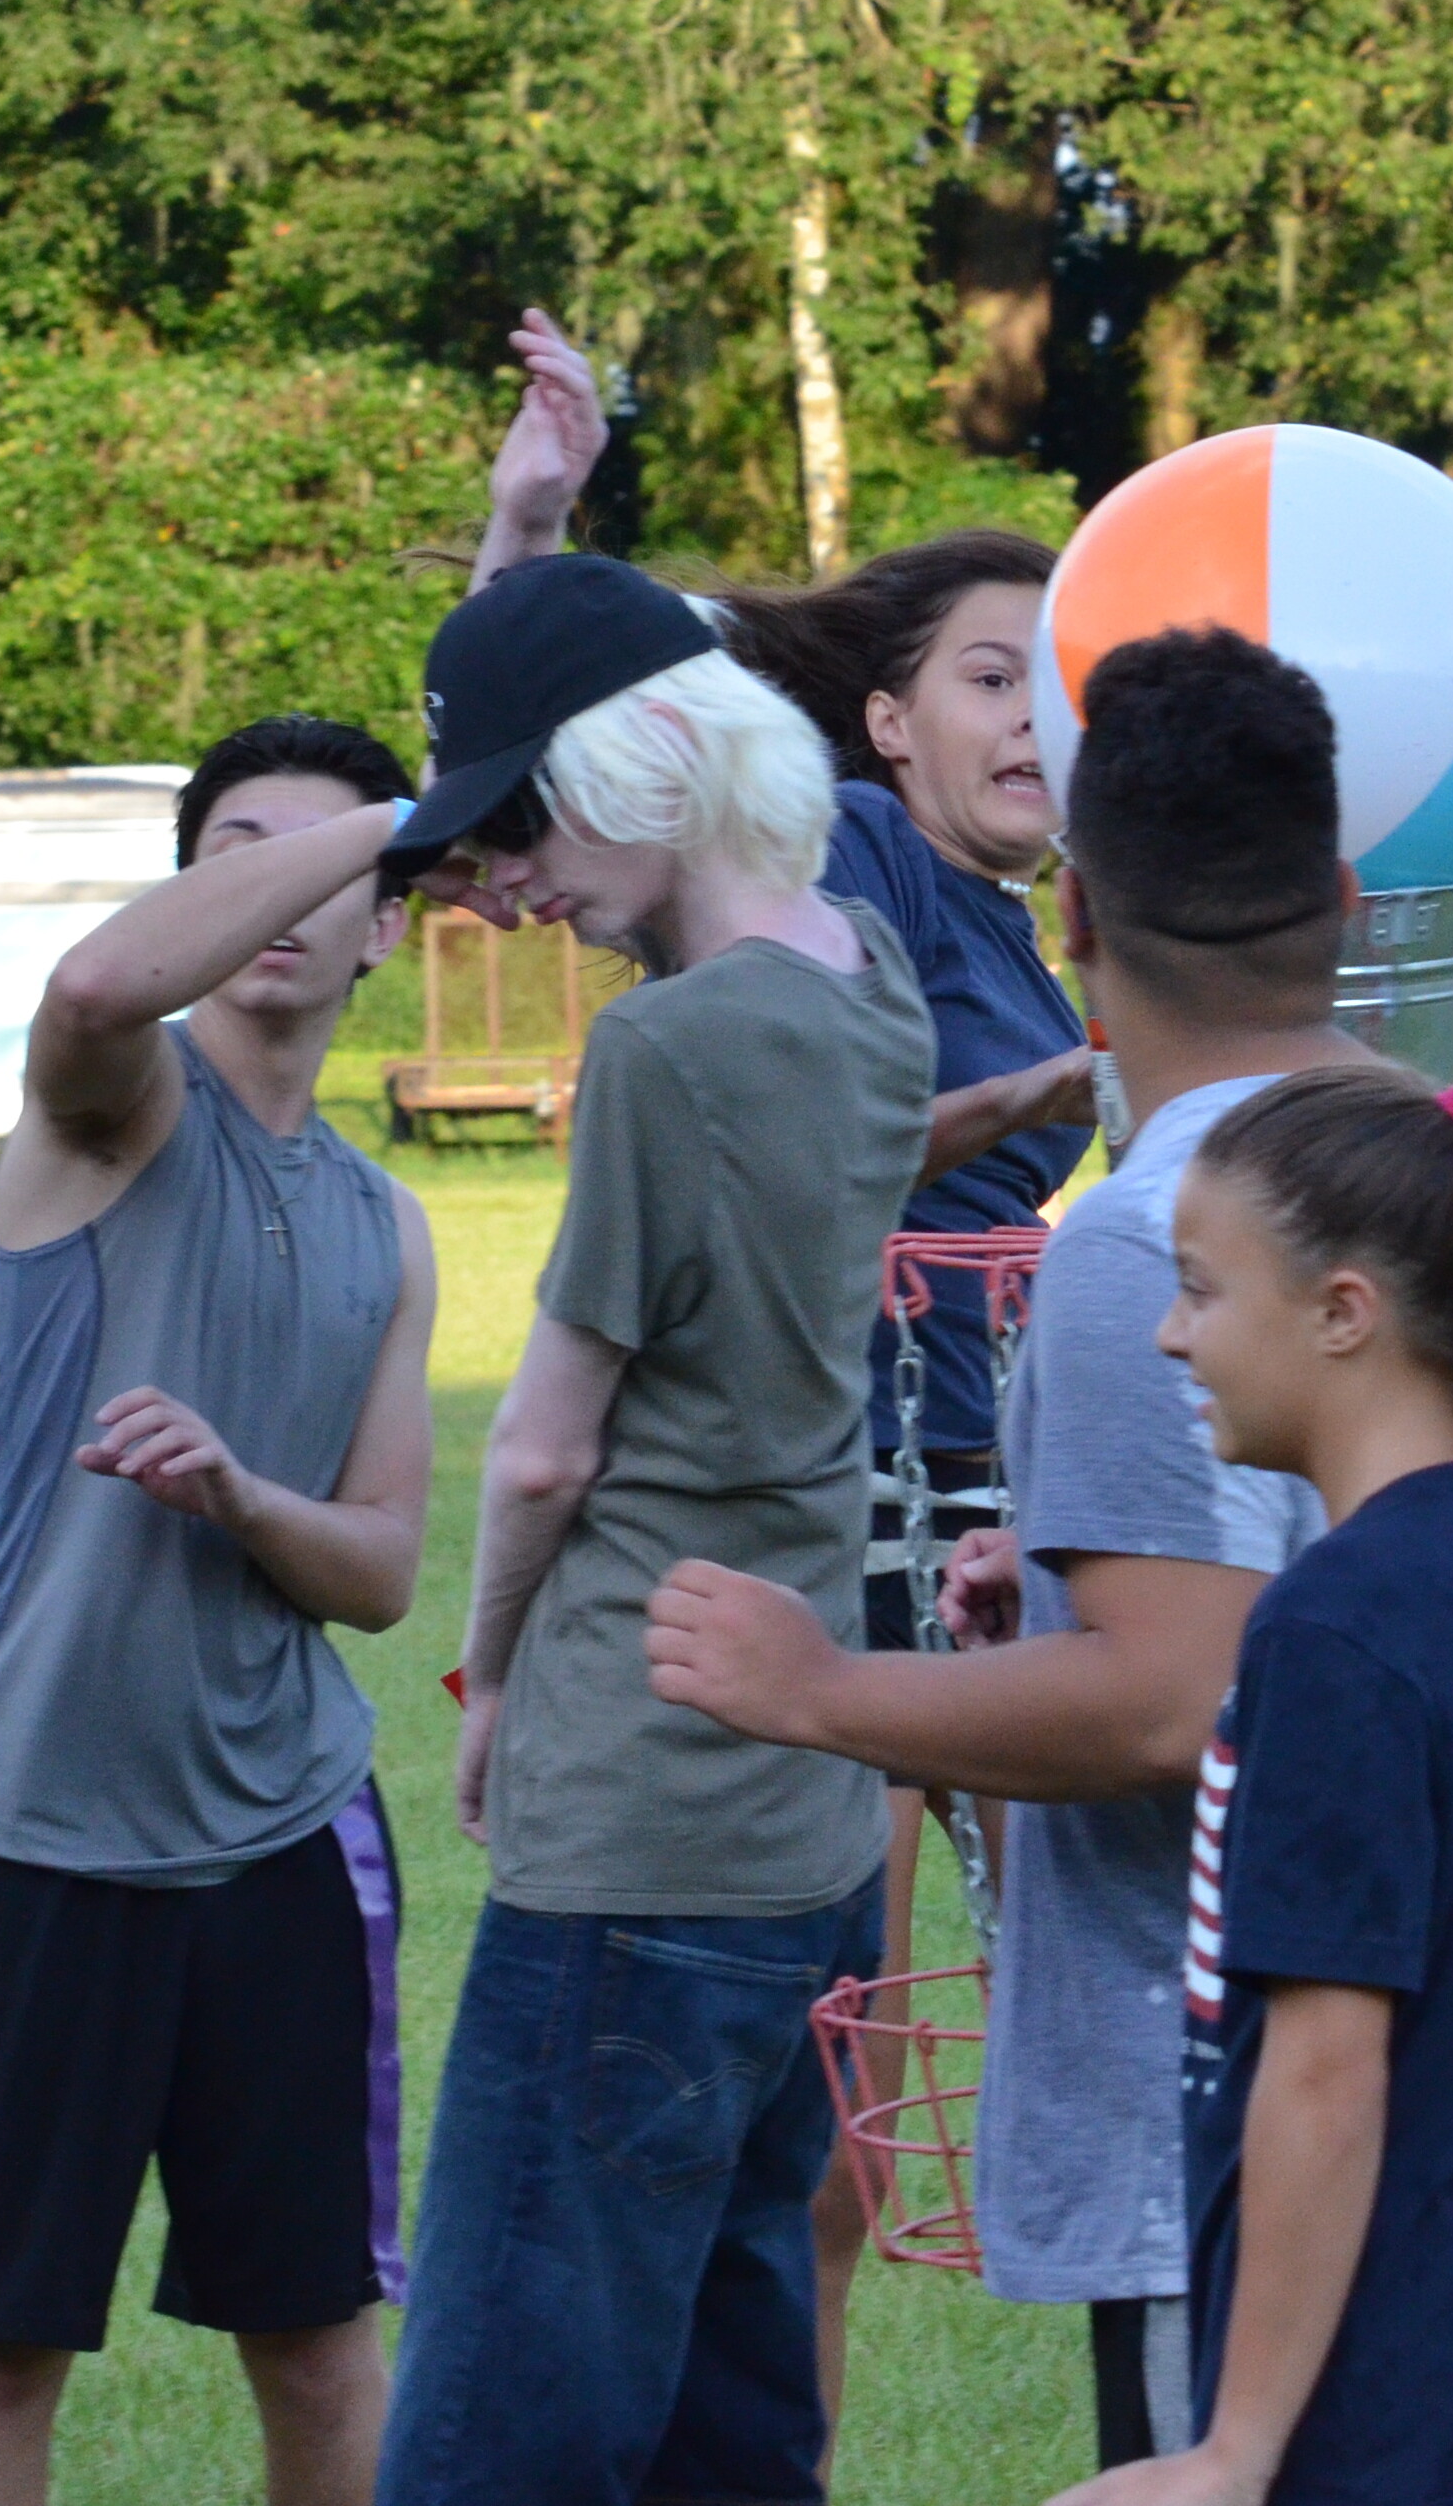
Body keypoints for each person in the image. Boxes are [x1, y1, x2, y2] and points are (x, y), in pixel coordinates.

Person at [641, 631, 1453, 2471]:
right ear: (1346, 898)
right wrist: (1054, 1594)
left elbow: (1171, 1701)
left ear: (1073, 924)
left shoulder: (1155, 1233)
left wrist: (819, 1690)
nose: (1190, 1330)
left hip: (1267, 2198)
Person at [469, 312, 1100, 2378]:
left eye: (1060, 679)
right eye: (991, 672)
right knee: (840, 2110)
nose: (1035, 712)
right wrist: (529, 530)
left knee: (1065, 2022)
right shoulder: (852, 855)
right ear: (883, 722)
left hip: (992, 1491)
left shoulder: (1020, 919)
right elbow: (583, 747)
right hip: (859, 1500)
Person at [368, 554, 937, 2506]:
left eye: (520, 820)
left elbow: (544, 1451)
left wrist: (487, 1682)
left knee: (494, 2438)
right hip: (802, 1822)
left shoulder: (662, 1049)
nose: (499, 879)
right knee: (730, 2418)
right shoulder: (871, 979)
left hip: (636, 1813)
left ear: (639, 767)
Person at [0, 713, 438, 2506]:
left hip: (285, 1838)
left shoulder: (389, 1223)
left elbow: (382, 1568)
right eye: (234, 851)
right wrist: (419, 806)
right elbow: (99, 983)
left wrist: (241, 1494)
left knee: (322, 2345)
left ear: (385, 925)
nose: (277, 892)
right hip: (34, 1826)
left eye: (325, 860)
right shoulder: (109, 1110)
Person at [1053, 1065, 1453, 2506]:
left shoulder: (1339, 1628)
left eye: (1201, 1291)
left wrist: (1236, 2449)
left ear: (1341, 1313)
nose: (1169, 1333)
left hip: (1391, 2399)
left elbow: (1326, 2068)